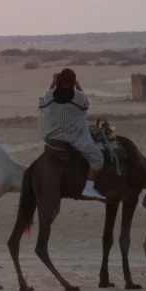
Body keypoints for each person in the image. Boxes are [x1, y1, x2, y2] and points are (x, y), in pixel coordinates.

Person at [38, 68, 105, 201]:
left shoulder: (50, 95)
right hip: (73, 138)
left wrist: (53, 83)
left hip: (50, 138)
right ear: (72, 82)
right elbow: (85, 105)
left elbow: (42, 102)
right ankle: (89, 189)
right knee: (97, 158)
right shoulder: (78, 96)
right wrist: (78, 85)